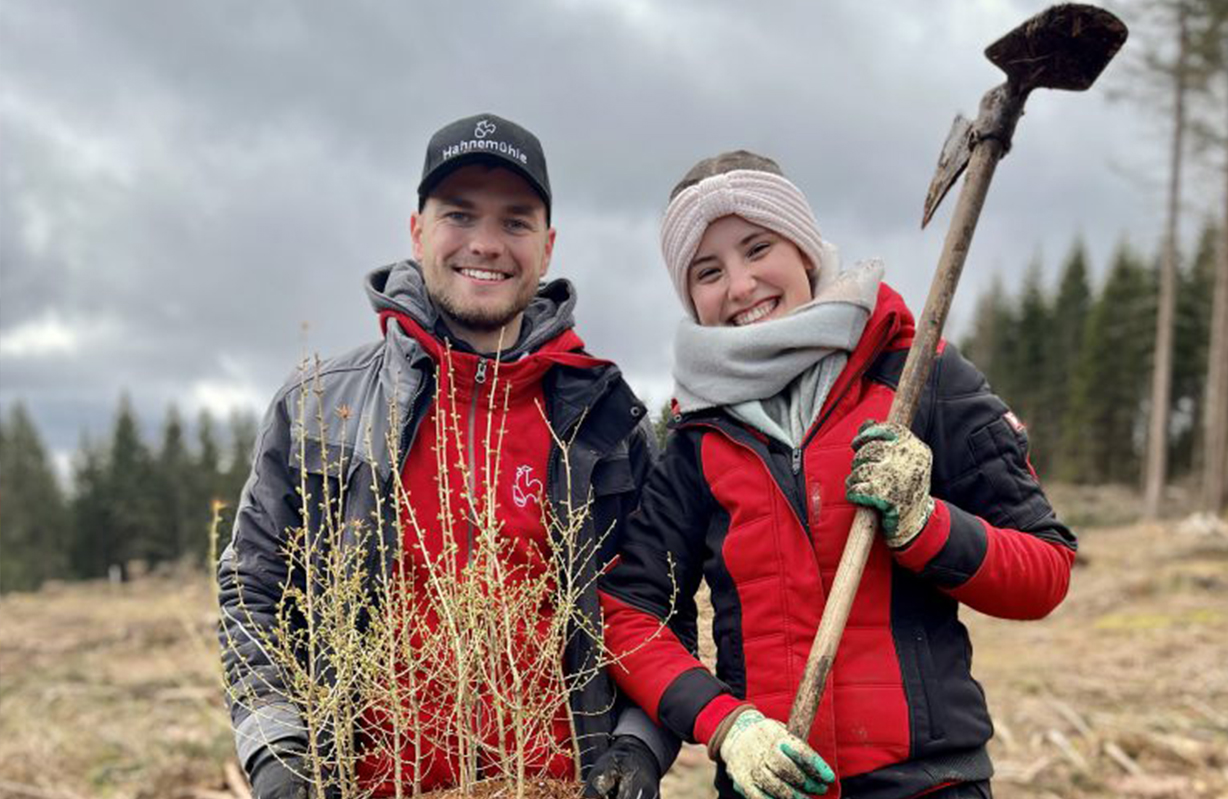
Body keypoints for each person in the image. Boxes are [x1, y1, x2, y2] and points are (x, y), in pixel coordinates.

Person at [219, 113, 674, 799]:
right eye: (460, 214)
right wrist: (278, 756)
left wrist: (639, 746)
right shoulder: (319, 405)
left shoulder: (604, 418)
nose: (486, 244)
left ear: (547, 248)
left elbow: (654, 605)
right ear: (417, 231)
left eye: (515, 222)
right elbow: (252, 592)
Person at [599, 151, 1076, 799]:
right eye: (708, 271)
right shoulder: (695, 440)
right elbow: (631, 613)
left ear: (803, 248)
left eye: (756, 247)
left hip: (930, 784)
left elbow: (1045, 570)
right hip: (773, 788)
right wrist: (727, 724)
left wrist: (923, 525)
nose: (739, 286)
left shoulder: (918, 377)